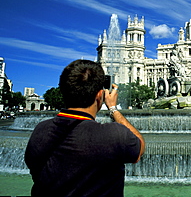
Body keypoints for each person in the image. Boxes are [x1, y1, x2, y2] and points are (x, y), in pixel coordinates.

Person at [25, 59, 145, 196]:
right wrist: (113, 108)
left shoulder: (40, 130)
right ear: (100, 95)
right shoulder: (113, 135)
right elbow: (139, 146)